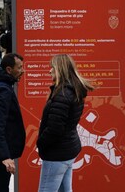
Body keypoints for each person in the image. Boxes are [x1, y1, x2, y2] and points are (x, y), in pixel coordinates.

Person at [36, 54, 94, 192]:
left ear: (60, 70)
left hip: (57, 153)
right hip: (68, 149)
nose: (49, 71)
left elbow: (55, 129)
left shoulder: (62, 95)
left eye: (52, 68)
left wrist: (40, 143)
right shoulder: (73, 90)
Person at [0, 53, 25, 192]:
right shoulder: (3, 91)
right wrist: (5, 156)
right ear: (9, 70)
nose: (22, 71)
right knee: (0, 186)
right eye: (19, 68)